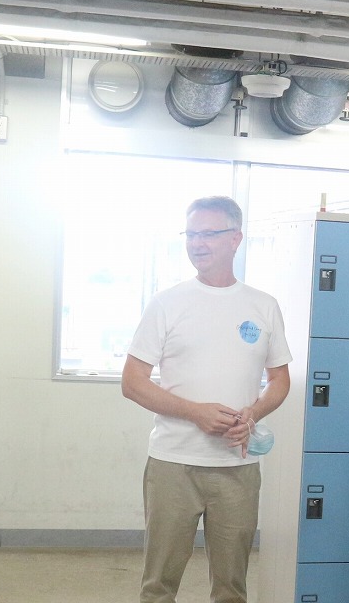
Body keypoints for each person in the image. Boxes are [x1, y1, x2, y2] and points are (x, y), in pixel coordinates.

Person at [121, 196, 292, 603]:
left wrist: (253, 412)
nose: (197, 243)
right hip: (173, 465)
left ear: (236, 239)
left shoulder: (263, 306)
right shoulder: (168, 303)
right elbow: (132, 382)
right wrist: (194, 412)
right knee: (158, 586)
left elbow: (280, 380)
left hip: (237, 466)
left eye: (209, 234)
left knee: (232, 587)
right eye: (191, 234)